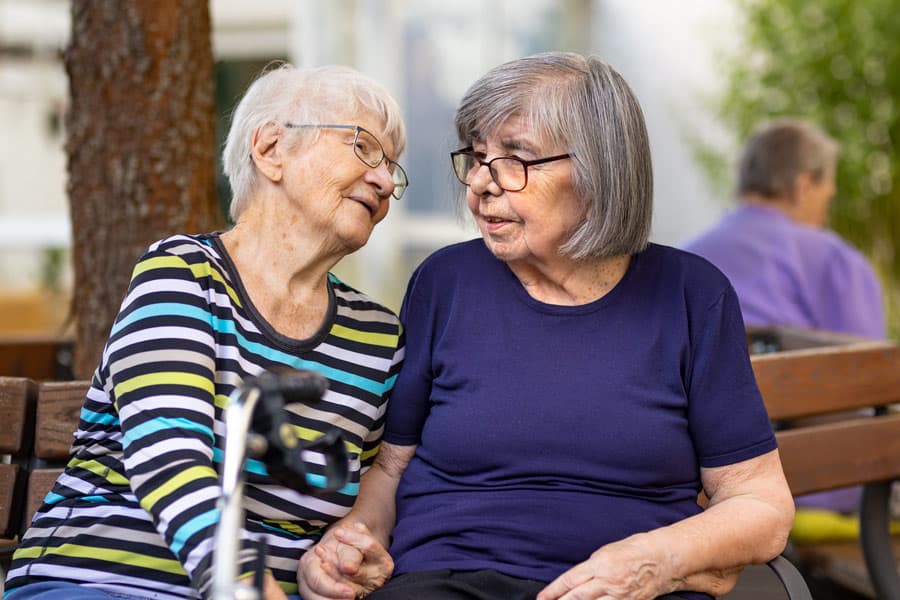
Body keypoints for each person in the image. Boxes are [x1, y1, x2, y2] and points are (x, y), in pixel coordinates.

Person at [297, 51, 794, 600]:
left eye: (516, 159)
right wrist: (353, 539)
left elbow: (760, 505)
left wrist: (658, 560)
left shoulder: (691, 296)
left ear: (601, 170)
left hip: (626, 588)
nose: (481, 185)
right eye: (478, 156)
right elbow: (390, 471)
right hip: (449, 580)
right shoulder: (446, 283)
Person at [3, 63, 408, 600]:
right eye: (363, 148)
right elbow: (170, 459)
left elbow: (361, 503)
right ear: (271, 150)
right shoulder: (183, 276)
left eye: (392, 167)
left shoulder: (378, 337)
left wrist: (341, 557)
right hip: (101, 583)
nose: (383, 180)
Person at [683, 119, 886, 520]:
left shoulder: (687, 259)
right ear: (804, 184)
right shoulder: (832, 258)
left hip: (702, 490)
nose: (826, 208)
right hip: (822, 486)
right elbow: (871, 384)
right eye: (827, 194)